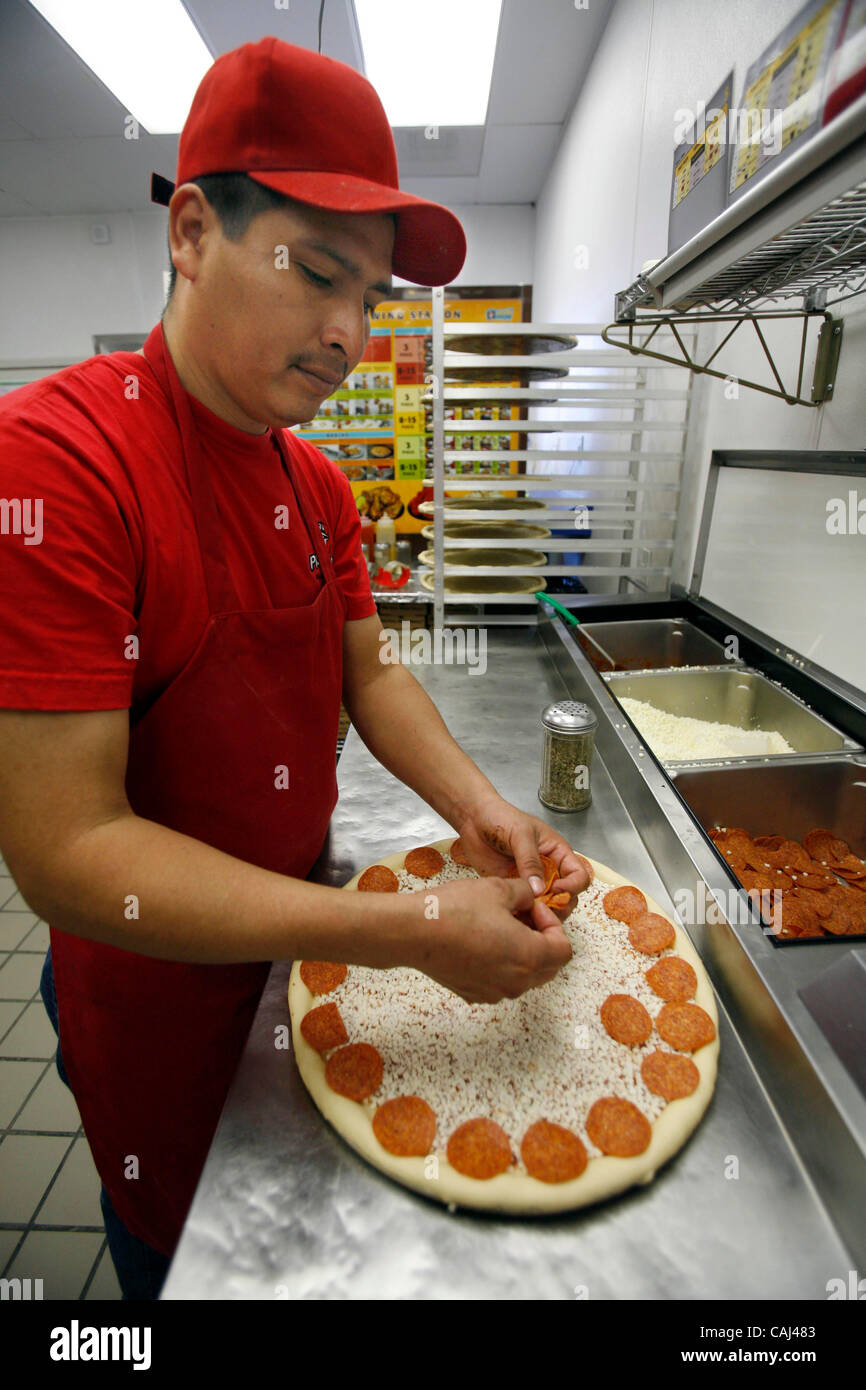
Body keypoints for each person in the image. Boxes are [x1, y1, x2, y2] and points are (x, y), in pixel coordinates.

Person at [0, 37, 590, 1299]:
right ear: (193, 230)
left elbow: (367, 675)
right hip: (157, 991)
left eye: (369, 301)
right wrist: (405, 928)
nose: (347, 335)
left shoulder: (315, 482)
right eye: (316, 273)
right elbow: (63, 849)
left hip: (306, 950)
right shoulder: (58, 465)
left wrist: (478, 810)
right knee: (187, 1263)